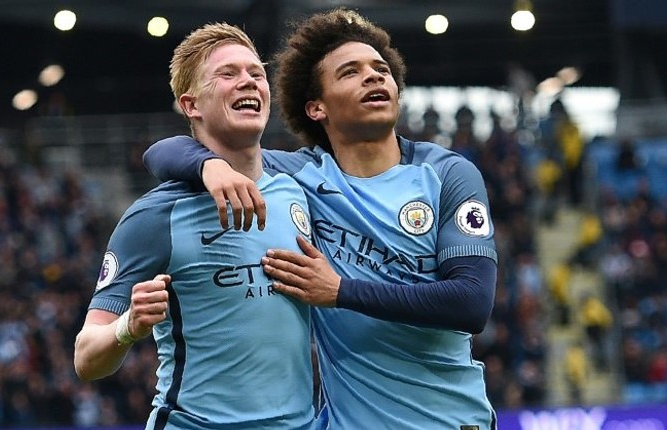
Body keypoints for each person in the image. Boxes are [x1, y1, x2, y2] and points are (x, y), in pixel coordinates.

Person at [143, 9, 498, 429]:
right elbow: (161, 153)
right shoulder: (299, 177)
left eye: (382, 69)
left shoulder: (446, 173)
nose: (374, 77)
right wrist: (209, 166)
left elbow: (471, 303)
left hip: (449, 421)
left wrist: (340, 291)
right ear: (316, 108)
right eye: (351, 72)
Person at [73, 23, 316, 430]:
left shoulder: (299, 185)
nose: (248, 82)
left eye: (256, 73)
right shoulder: (154, 217)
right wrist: (127, 327)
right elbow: (85, 358)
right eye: (228, 74)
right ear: (191, 105)